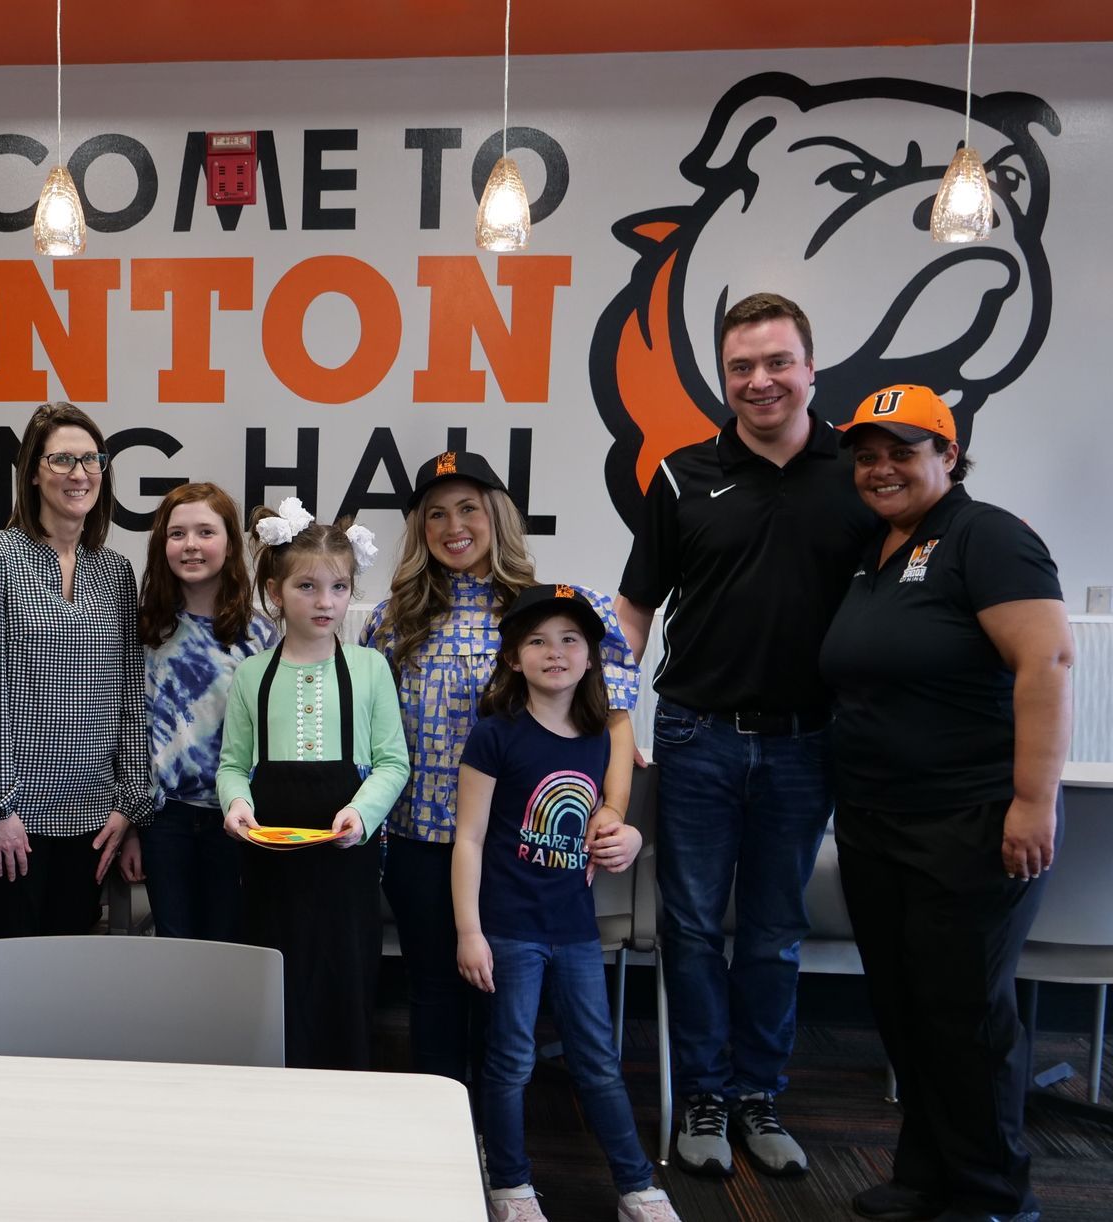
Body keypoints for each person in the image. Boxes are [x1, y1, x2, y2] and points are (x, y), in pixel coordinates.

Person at [615, 291, 879, 1176]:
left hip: (810, 742)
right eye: (740, 367)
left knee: (773, 929)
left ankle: (758, 1093)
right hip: (699, 733)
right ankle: (702, 1094)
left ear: (811, 367)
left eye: (776, 362)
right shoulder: (683, 475)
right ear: (722, 378)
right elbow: (636, 606)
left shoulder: (863, 474)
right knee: (690, 925)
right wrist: (615, 720)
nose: (759, 381)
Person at [820, 385, 1072, 1222]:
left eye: (902, 450)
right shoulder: (878, 547)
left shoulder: (986, 536)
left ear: (949, 456)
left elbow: (1048, 664)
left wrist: (1034, 801)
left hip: (969, 823)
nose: (881, 468)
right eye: (867, 455)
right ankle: (927, 1173)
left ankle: (995, 1194)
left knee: (964, 1015)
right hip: (875, 822)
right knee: (903, 1005)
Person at [366, 451, 640, 1095]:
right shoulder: (393, 620)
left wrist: (613, 808)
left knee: (506, 998)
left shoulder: (551, 611)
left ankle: (499, 1144)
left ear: (497, 516)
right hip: (423, 838)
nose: (452, 525)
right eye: (435, 514)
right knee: (432, 986)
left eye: (468, 509)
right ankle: (438, 1126)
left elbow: (616, 720)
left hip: (522, 844)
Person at [453, 586, 677, 1222]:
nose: (555, 651)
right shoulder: (495, 736)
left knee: (599, 1061)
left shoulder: (603, 733)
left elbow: (614, 816)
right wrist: (470, 931)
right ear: (514, 658)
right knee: (511, 1060)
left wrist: (628, 835)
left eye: (570, 639)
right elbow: (467, 840)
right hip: (508, 928)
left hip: (575, 928)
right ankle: (510, 1184)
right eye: (537, 640)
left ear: (591, 658)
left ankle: (637, 1187)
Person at [0, 402, 151, 937]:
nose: (79, 474)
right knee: (11, 983)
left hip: (93, 817)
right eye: (62, 460)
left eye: (91, 460)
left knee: (67, 982)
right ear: (33, 471)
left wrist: (129, 804)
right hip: (13, 821)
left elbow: (128, 695)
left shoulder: (116, 571)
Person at [218, 500, 409, 1069]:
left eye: (339, 588)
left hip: (346, 862)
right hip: (270, 868)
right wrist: (236, 805)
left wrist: (362, 814)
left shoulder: (371, 668)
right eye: (307, 586)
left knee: (345, 985)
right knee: (278, 989)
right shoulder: (253, 674)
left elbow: (393, 763)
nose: (325, 602)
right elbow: (233, 765)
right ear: (275, 592)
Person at [137, 483, 276, 942]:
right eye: (177, 534)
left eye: (205, 532)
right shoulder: (146, 628)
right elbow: (130, 729)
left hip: (235, 819)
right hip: (163, 819)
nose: (191, 545)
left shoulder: (260, 635)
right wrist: (135, 826)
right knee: (174, 942)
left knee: (229, 941)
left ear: (230, 544)